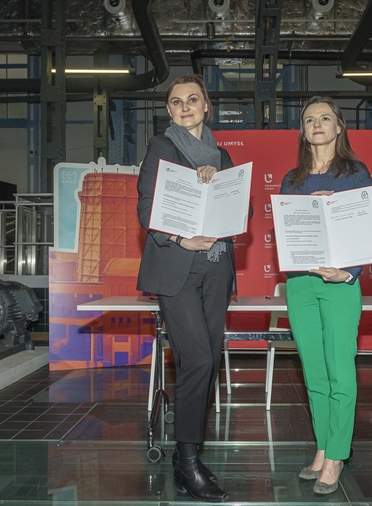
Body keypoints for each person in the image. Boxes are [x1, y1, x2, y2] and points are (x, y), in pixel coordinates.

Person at [136, 75, 235, 503]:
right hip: (176, 268)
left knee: (208, 361)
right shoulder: (162, 147)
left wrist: (217, 180)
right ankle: (188, 463)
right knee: (195, 359)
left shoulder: (222, 154)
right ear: (170, 111)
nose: (185, 106)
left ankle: (188, 457)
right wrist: (180, 238)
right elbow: (146, 206)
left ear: (206, 106)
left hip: (215, 270)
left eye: (193, 99)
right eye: (176, 102)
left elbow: (241, 207)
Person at [279, 96, 372, 495]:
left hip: (340, 283)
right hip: (300, 282)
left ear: (339, 127)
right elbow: (285, 233)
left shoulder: (355, 173)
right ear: (303, 130)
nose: (317, 124)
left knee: (340, 371)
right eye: (309, 119)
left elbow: (367, 232)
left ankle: (337, 455)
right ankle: (322, 447)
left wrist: (347, 272)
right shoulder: (292, 180)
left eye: (325, 118)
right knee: (314, 373)